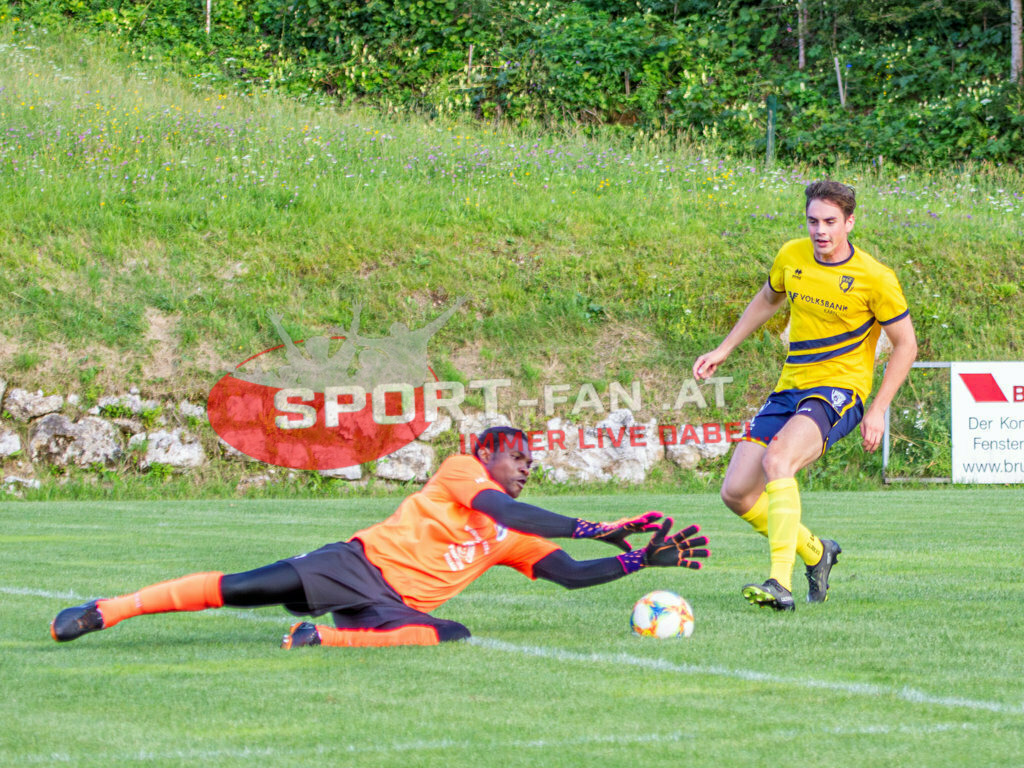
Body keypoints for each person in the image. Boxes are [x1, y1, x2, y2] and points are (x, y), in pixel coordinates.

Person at [50, 426, 710, 648]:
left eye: (530, 459)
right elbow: (520, 514)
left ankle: (321, 638)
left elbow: (568, 573)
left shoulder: (510, 533)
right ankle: (105, 611)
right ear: (484, 455)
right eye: (515, 455)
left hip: (392, 607)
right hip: (352, 566)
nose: (524, 464)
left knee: (451, 634)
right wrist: (600, 528)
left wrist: (636, 563)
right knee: (241, 589)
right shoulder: (462, 474)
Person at [693, 180, 917, 611]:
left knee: (778, 461)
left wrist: (878, 410)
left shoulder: (874, 277)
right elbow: (768, 298)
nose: (821, 231)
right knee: (737, 493)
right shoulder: (791, 255)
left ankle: (780, 582)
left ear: (850, 222)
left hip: (841, 390)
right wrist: (724, 348)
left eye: (831, 222)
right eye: (813, 221)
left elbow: (906, 344)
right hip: (790, 386)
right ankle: (817, 552)